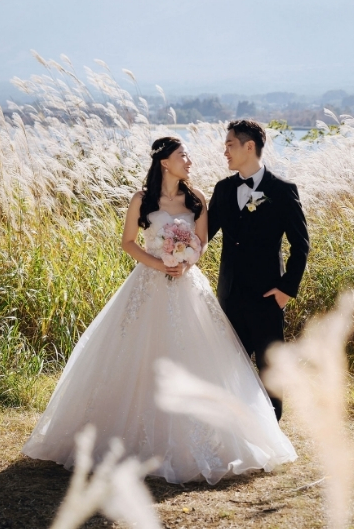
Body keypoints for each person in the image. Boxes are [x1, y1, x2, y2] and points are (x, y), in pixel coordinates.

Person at [21, 137, 295, 484]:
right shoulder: (142, 199)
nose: (189, 160)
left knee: (195, 356)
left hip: (187, 285)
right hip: (147, 284)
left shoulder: (197, 200)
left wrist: (185, 261)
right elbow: (128, 242)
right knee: (137, 354)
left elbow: (201, 241)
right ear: (165, 162)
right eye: (183, 155)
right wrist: (157, 262)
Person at [207, 119, 311, 421]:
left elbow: (300, 245)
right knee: (228, 369)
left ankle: (272, 435)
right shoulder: (223, 189)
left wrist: (286, 290)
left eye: (230, 145)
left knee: (270, 369)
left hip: (267, 297)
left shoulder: (281, 190)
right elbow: (204, 236)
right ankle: (234, 432)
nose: (224, 151)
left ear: (248, 146)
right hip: (228, 296)